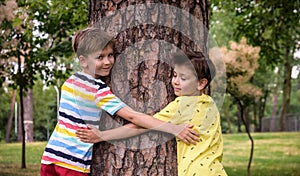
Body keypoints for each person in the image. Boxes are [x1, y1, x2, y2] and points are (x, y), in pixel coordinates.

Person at [40, 27, 199, 176]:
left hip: (50, 156)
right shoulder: (96, 90)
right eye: (100, 57)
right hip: (72, 163)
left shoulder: (70, 82)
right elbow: (133, 117)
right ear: (83, 61)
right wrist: (174, 129)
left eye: (110, 55)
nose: (108, 61)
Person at [77, 50, 227, 176]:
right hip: (216, 170)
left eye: (183, 78)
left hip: (195, 171)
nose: (175, 82)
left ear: (201, 84)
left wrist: (103, 135)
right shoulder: (209, 103)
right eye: (175, 75)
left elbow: (142, 125)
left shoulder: (183, 104)